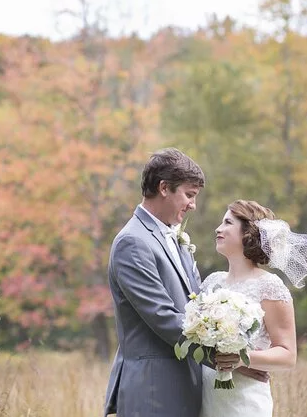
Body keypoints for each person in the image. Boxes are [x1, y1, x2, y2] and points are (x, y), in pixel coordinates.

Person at [104, 148, 206, 417]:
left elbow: (196, 303)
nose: (193, 205)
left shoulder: (174, 238)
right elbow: (162, 316)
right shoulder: (133, 242)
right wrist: (222, 354)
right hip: (153, 391)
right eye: (189, 195)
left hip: (182, 387)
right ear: (164, 188)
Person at [200, 199, 307, 417]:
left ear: (247, 233)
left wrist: (243, 357)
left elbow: (288, 355)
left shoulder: (269, 286)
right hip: (205, 396)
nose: (218, 228)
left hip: (244, 399)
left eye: (227, 223)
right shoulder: (212, 282)